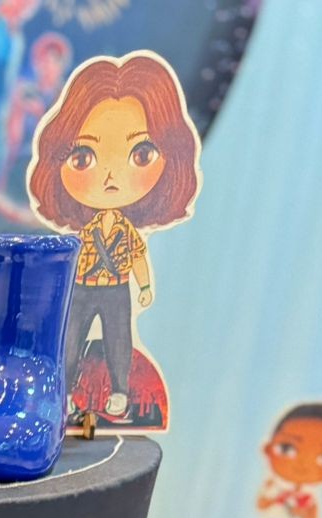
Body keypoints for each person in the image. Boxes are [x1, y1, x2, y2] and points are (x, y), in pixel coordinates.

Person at [27, 53, 200, 422]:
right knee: (70, 340)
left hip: (117, 288)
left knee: (118, 338)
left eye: (141, 154)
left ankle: (119, 391)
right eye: (83, 157)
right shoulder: (81, 234)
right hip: (82, 287)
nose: (110, 176)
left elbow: (137, 257)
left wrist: (145, 286)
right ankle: (64, 394)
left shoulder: (126, 231)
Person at [257, 404, 322, 518]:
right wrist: (275, 499)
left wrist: (302, 513)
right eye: (286, 448)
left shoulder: (308, 496)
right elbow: (261, 505)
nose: (304, 464)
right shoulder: (274, 486)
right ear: (268, 450)